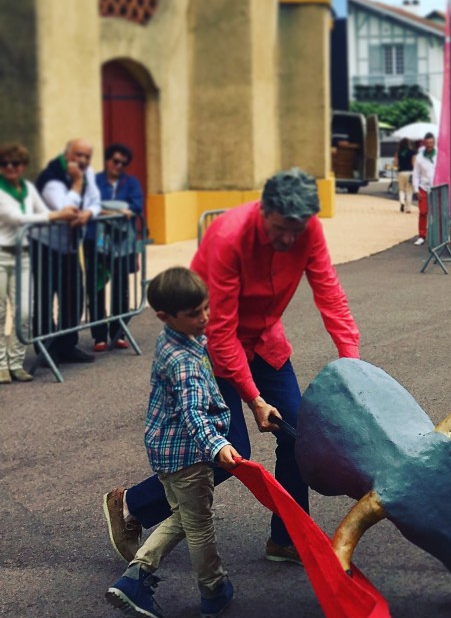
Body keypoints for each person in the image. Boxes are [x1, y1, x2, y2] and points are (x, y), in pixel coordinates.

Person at [103, 169, 360, 566]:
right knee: (230, 451)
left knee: (298, 435)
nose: (288, 240)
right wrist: (254, 399)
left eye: (296, 230)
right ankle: (131, 504)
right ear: (264, 211)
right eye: (280, 229)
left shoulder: (307, 231)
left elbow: (330, 294)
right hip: (212, 348)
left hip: (266, 343)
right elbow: (221, 332)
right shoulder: (228, 237)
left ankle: (287, 538)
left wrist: (352, 363)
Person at [106, 268, 243, 618]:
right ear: (165, 316)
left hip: (166, 451)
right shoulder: (184, 362)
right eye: (195, 313)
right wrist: (217, 445)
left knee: (184, 518)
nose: (205, 317)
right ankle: (212, 589)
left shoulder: (174, 339)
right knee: (199, 525)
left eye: (206, 308)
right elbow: (192, 412)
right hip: (189, 456)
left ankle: (136, 577)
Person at [0, 143, 75, 382]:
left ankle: (16, 362)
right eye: (4, 163)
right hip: (1, 256)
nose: (10, 167)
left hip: (23, 255)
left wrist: (67, 213)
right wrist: (57, 215)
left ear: (23, 166)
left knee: (25, 312)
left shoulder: (28, 188)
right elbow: (18, 218)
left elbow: (42, 211)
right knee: (0, 312)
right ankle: (1, 364)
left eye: (15, 163)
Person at [33, 138, 101, 364]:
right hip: (45, 246)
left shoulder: (87, 172)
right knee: (44, 298)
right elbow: (65, 208)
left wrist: (88, 213)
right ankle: (46, 349)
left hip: (70, 247)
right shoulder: (51, 176)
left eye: (87, 156)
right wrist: (78, 183)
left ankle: (67, 345)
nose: (82, 160)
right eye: (78, 155)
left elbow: (95, 201)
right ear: (67, 155)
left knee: (74, 297)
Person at [90, 142, 144, 351]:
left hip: (122, 244)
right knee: (97, 288)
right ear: (107, 161)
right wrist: (116, 211)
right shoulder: (95, 181)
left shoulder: (131, 182)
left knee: (121, 289)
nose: (119, 166)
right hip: (97, 242)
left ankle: (118, 332)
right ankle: (99, 336)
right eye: (115, 161)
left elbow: (136, 205)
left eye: (123, 163)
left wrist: (106, 210)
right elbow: (90, 205)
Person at [411, 132, 437, 245]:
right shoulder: (419, 157)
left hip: (437, 187)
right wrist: (416, 189)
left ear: (434, 143)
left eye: (431, 142)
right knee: (423, 212)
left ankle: (437, 235)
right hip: (423, 187)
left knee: (437, 213)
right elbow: (416, 174)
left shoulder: (439, 155)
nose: (429, 145)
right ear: (424, 144)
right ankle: (422, 235)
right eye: (427, 143)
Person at [394, 137, 415, 212]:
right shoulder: (412, 152)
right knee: (409, 191)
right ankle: (408, 208)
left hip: (401, 172)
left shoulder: (398, 153)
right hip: (409, 172)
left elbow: (396, 163)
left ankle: (402, 202)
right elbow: (413, 163)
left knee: (401, 189)